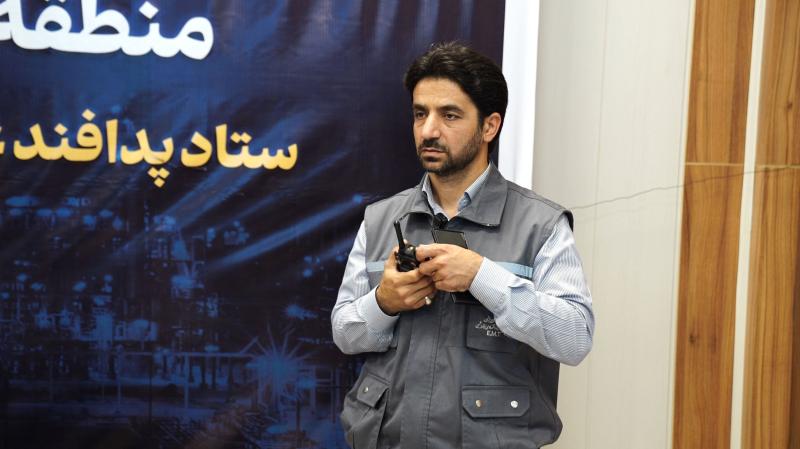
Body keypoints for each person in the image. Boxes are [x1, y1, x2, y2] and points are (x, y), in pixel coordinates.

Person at [331, 42, 595, 449]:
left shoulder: (541, 224)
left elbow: (575, 338)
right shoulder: (381, 219)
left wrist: (481, 276)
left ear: (490, 126)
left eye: (449, 115)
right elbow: (345, 334)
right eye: (420, 114)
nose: (428, 130)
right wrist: (384, 302)